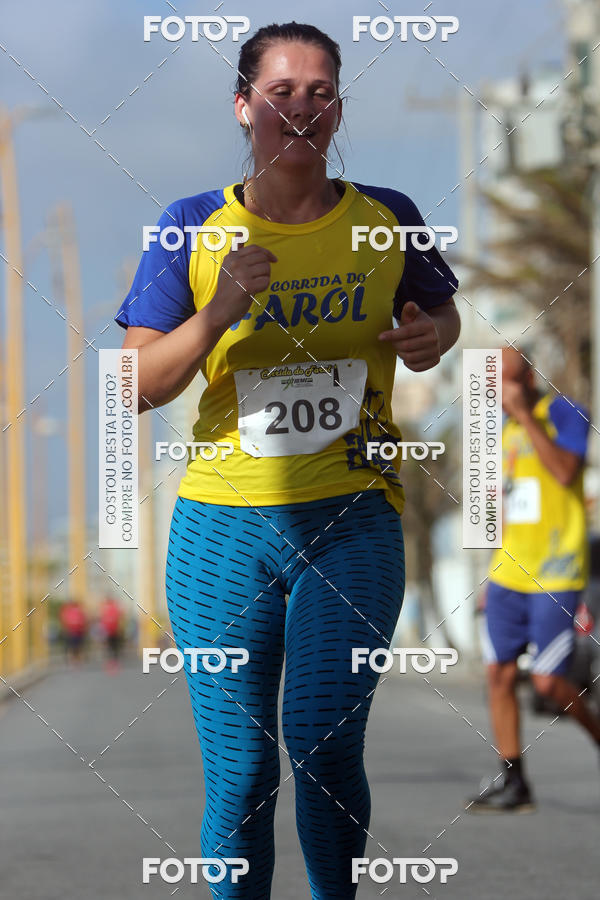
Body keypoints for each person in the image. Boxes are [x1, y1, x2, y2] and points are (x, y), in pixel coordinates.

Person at [115, 22, 460, 898]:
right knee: (240, 773)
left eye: (320, 91)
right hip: (220, 529)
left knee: (323, 744)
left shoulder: (388, 219)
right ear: (244, 106)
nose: (301, 107)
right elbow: (135, 386)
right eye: (281, 91)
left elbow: (440, 316)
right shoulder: (189, 226)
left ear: (338, 109)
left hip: (353, 518)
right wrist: (218, 311)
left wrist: (431, 335)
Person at [470, 347, 600, 813]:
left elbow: (564, 472)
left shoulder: (565, 413)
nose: (497, 394)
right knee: (499, 674)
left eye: (505, 381)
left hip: (556, 570)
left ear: (528, 378)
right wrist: (490, 571)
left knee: (547, 682)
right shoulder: (496, 432)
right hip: (508, 571)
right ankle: (514, 781)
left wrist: (526, 416)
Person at [98, 596, 124, 672]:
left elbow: (103, 619)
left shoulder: (106, 608)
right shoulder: (114, 607)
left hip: (110, 631)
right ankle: (113, 661)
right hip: (112, 630)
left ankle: (112, 661)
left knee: (111, 647)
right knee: (113, 647)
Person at [59, 599, 87, 665]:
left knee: (74, 646)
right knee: (75, 646)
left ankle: (74, 659)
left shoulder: (68, 610)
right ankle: (75, 659)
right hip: (74, 631)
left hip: (74, 631)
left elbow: (64, 619)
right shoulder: (77, 610)